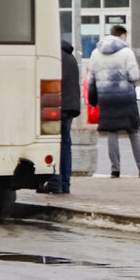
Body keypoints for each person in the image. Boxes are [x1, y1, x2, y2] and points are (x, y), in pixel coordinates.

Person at [87, 25, 140, 179]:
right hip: (125, 97)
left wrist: (93, 100)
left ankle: (115, 170)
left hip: (106, 98)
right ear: (123, 35)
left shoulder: (95, 53)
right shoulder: (126, 52)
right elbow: (134, 75)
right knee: (133, 132)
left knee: (112, 133)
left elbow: (90, 79)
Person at [42, 41, 82, 194]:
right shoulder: (70, 57)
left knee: (53, 144)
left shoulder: (55, 57)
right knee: (65, 145)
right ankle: (65, 183)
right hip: (70, 106)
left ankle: (55, 183)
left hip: (56, 104)